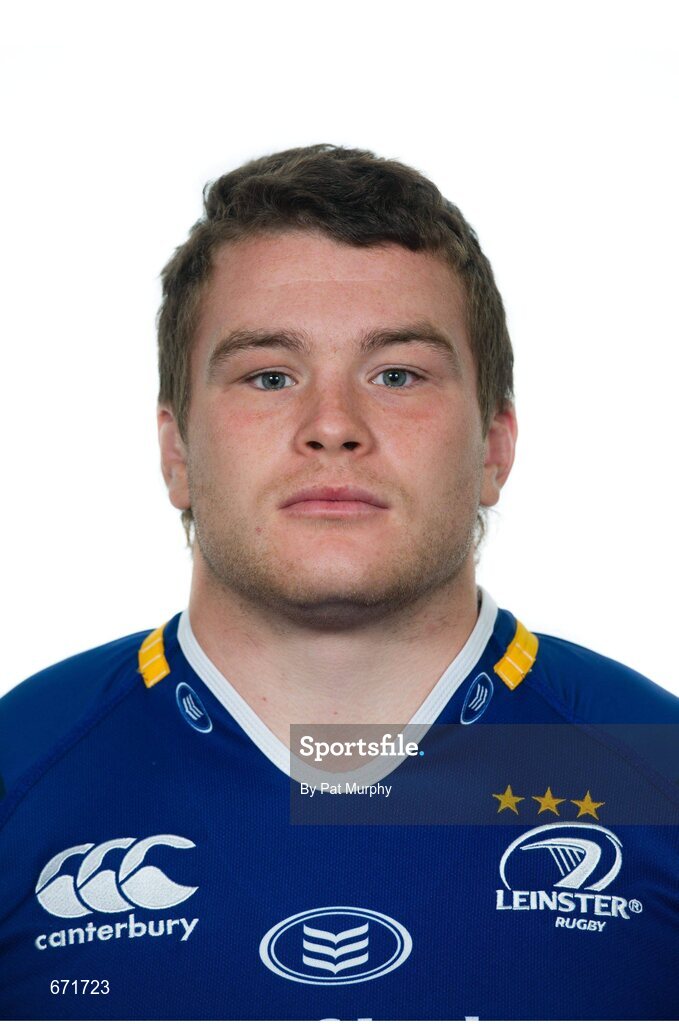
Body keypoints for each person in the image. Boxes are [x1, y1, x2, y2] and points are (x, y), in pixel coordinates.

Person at [1, 144, 677, 1021]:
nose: (331, 425)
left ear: (494, 447)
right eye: (269, 376)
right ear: (176, 453)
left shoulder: (656, 767)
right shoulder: (17, 772)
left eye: (396, 374)